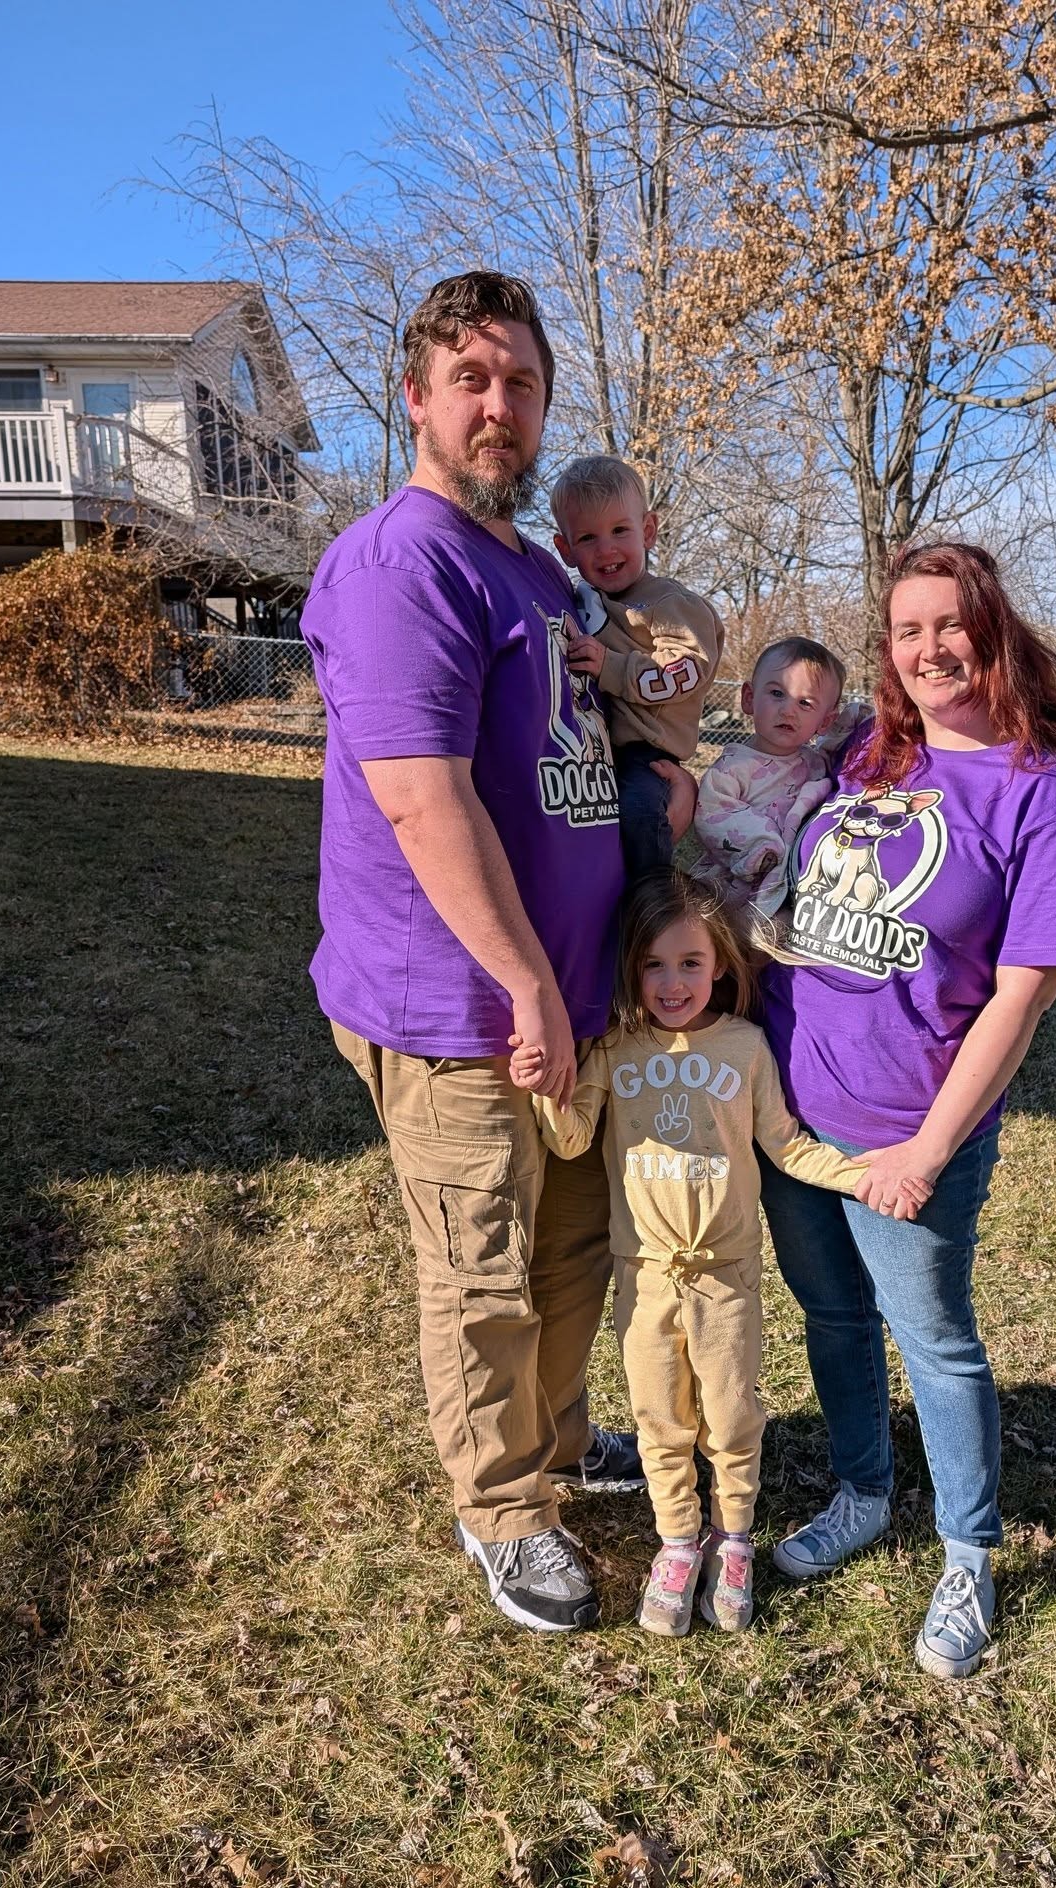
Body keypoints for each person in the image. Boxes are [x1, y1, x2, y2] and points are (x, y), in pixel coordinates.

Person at [302, 270, 692, 1637]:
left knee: (573, 1254)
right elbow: (420, 794)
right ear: (416, 399)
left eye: (519, 382)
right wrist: (525, 980)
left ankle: (555, 1438)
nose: (497, 404)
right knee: (480, 1268)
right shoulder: (399, 564)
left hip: (575, 997)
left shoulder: (531, 566)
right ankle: (500, 1509)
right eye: (469, 378)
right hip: (460, 1003)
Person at [758, 540, 1056, 1680]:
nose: (928, 648)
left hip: (909, 1126)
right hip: (790, 1110)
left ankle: (968, 1551)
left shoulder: (1039, 789)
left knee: (936, 1340)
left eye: (948, 624)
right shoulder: (868, 747)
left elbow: (1026, 992)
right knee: (831, 1310)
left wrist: (931, 1144)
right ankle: (864, 1489)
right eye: (906, 630)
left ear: (992, 627)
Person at [515, 872, 928, 1638]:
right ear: (632, 968)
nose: (673, 983)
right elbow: (570, 1138)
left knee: (733, 1415)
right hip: (645, 1278)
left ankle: (731, 1538)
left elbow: (786, 1146)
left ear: (722, 966)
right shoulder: (615, 1047)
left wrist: (867, 1175)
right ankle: (678, 1540)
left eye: (691, 963)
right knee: (658, 1418)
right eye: (655, 965)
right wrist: (546, 1085)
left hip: (727, 1279)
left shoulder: (744, 1048)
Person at [551, 455, 725, 880]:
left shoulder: (668, 603)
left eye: (620, 531)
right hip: (597, 747)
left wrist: (611, 667)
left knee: (638, 814)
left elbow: (688, 669)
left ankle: (653, 901)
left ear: (648, 531)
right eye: (588, 537)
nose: (606, 548)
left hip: (648, 751)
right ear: (566, 549)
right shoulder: (580, 599)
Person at [692, 636, 863, 919]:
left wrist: (856, 722)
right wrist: (760, 846)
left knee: (786, 932)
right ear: (749, 698)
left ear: (824, 721)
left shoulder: (814, 762)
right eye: (776, 694)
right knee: (744, 936)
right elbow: (712, 813)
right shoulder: (733, 767)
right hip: (740, 883)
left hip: (795, 883)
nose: (788, 710)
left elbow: (838, 745)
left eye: (805, 703)